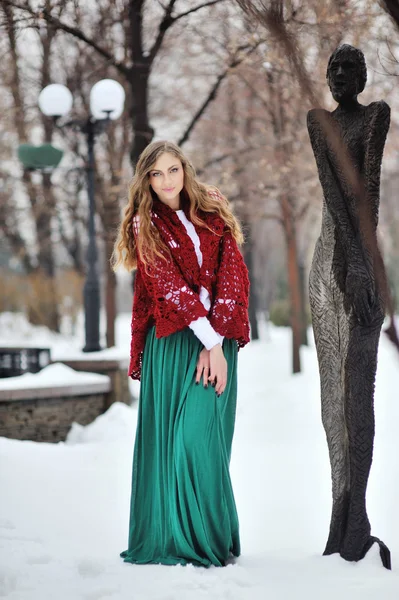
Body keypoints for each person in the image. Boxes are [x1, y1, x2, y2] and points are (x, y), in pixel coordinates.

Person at [112, 140, 250, 567]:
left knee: (203, 440)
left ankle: (210, 536)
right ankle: (174, 538)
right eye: (156, 174)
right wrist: (208, 342)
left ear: (185, 170)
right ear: (146, 181)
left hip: (219, 340)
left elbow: (232, 271)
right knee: (180, 442)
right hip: (173, 342)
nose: (167, 181)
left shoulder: (212, 208)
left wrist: (217, 340)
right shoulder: (143, 223)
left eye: (173, 170)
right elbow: (167, 286)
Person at [307, 45, 390, 568]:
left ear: (363, 75)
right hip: (328, 256)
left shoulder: (376, 115)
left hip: (362, 253)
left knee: (358, 388)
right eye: (334, 68)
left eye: (350, 69)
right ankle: (341, 512)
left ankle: (356, 516)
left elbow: (368, 192)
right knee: (331, 394)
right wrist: (345, 263)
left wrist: (362, 265)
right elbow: (334, 195)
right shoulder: (319, 122)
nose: (341, 75)